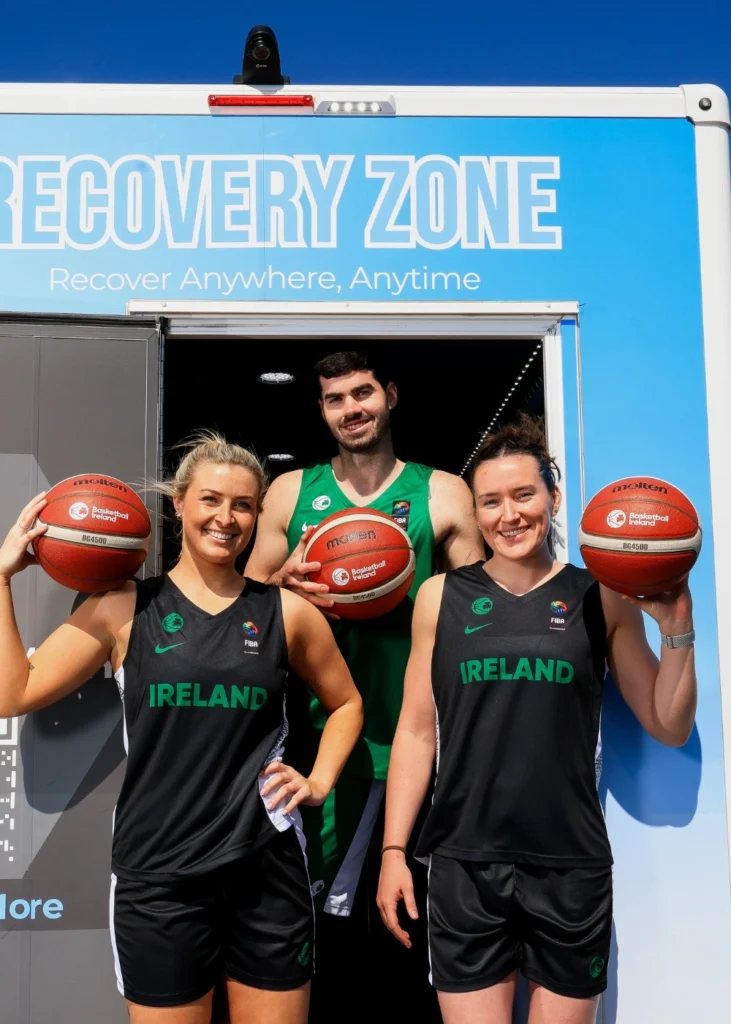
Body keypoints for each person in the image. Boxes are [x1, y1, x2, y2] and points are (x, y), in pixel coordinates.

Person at [0, 432, 363, 1024]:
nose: (226, 518)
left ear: (258, 514)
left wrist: (319, 780)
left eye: (243, 505)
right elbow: (11, 693)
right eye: (210, 500)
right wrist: (2, 577)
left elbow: (346, 703)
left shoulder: (286, 612)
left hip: (264, 869)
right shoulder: (123, 606)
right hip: (158, 877)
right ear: (178, 505)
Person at [377, 415, 697, 1024]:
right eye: (490, 501)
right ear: (476, 512)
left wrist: (678, 626)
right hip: (465, 863)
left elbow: (669, 725)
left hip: (569, 863)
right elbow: (417, 731)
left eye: (524, 495)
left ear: (553, 498)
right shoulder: (440, 597)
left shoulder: (601, 595)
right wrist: (394, 849)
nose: (509, 515)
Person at [245, 350, 483, 1017]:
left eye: (362, 393)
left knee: (415, 915)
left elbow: (480, 606)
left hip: (422, 734)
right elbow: (244, 606)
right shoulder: (291, 492)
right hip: (324, 735)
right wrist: (281, 584)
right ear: (321, 411)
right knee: (322, 918)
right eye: (335, 399)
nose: (351, 408)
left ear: (390, 396)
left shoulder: (442, 492)